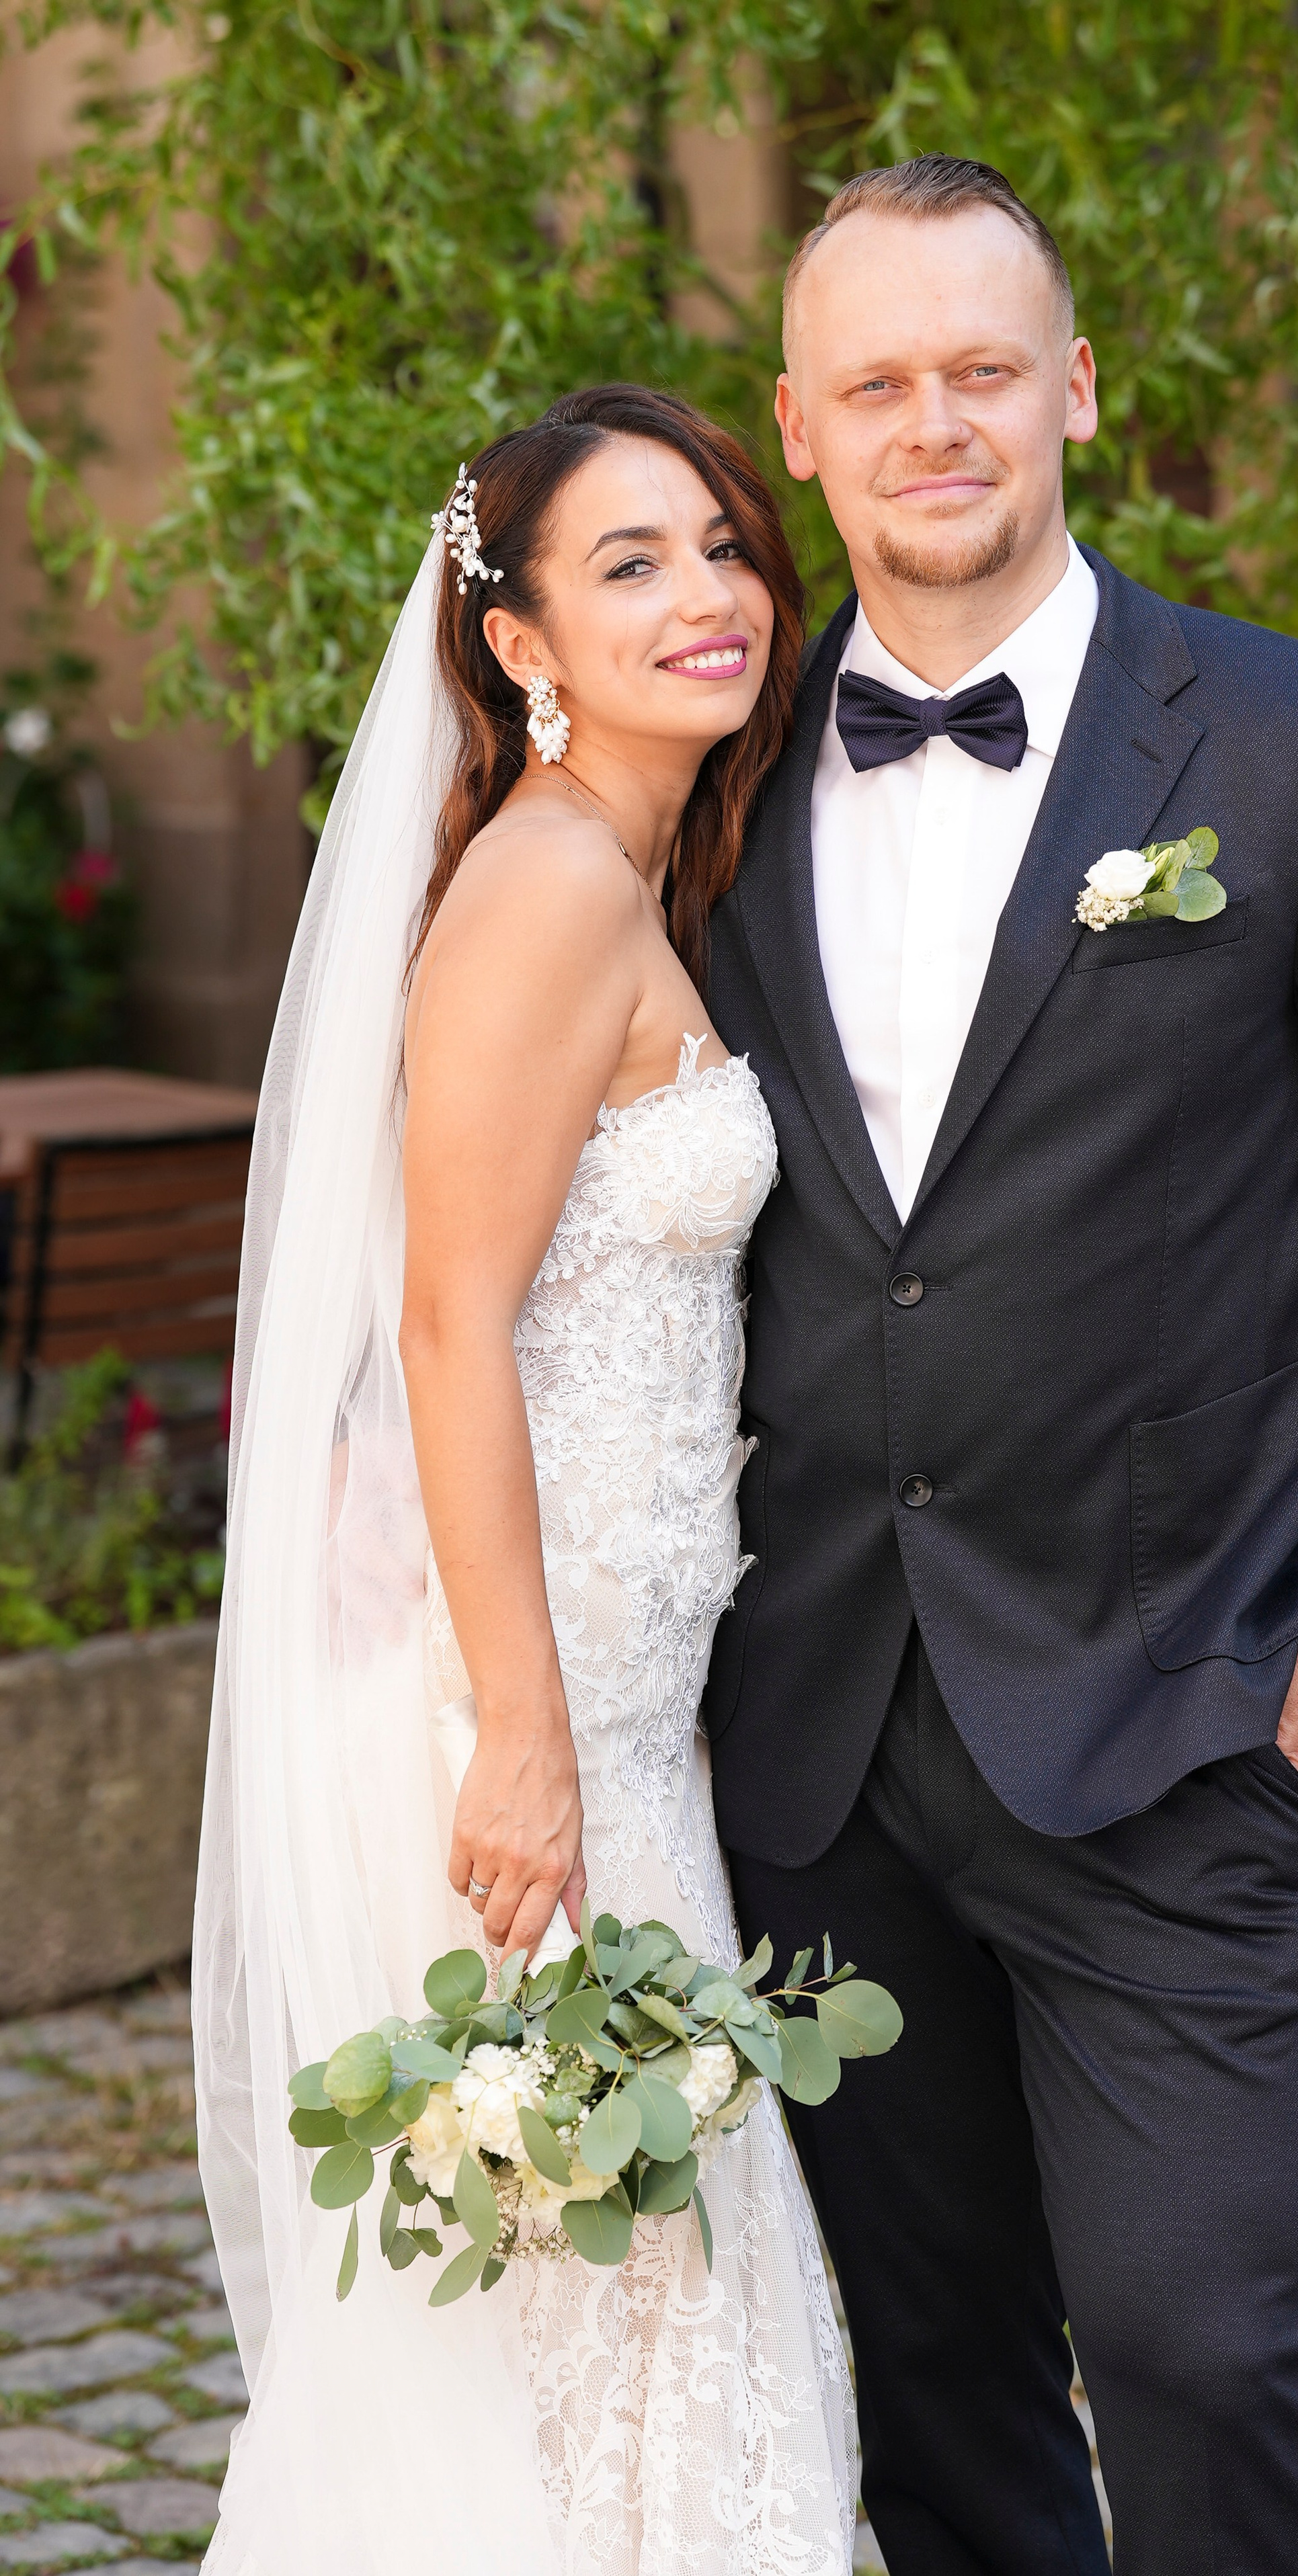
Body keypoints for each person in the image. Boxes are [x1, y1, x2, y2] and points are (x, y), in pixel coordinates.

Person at [704, 155, 1298, 2575]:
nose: (935, 425)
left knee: (1204, 2356)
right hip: (809, 1742)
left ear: (1076, 387)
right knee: (936, 2389)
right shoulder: (707, 782)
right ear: (796, 429)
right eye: (876, 382)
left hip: (1193, 1709)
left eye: (982, 369)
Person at [194, 385, 856, 2575]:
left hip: (626, 1699)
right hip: (532, 1722)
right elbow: (451, 1323)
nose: (709, 598)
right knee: (595, 2315)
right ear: (521, 643)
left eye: (725, 547)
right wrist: (530, 1745)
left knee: (637, 2305)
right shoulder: (552, 884)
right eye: (631, 564)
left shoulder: (643, 870)